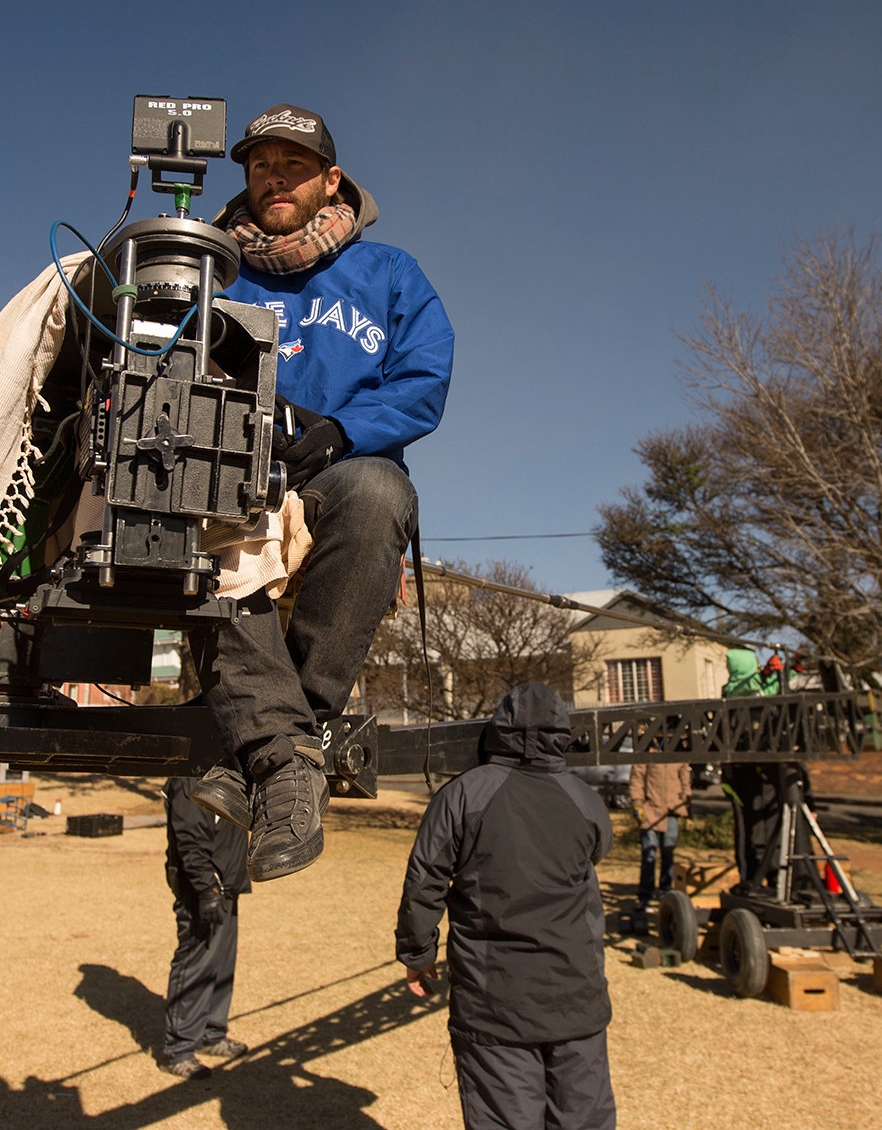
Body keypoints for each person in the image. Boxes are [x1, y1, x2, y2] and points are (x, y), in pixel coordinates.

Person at [189, 103, 455, 883]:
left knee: (377, 492)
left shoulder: (391, 273)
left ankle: (275, 743)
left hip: (340, 468)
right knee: (181, 513)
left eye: (293, 165)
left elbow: (423, 379)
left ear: (329, 181)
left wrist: (340, 429)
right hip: (236, 473)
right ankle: (290, 756)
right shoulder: (211, 271)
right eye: (260, 163)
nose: (274, 176)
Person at [397, 683, 616, 1129]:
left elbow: (425, 880)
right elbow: (598, 851)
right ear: (561, 733)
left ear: (498, 729)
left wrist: (417, 954)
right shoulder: (586, 800)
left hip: (495, 1004)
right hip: (578, 998)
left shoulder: (463, 796)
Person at [158, 775, 252, 1080]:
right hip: (203, 889)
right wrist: (206, 889)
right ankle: (179, 1050)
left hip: (229, 883)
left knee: (222, 964)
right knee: (195, 963)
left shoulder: (229, 770)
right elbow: (189, 836)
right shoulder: (188, 777)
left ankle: (212, 1033)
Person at [629, 753, 690, 926]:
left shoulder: (679, 754)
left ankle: (665, 892)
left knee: (668, 852)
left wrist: (688, 809)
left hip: (672, 810)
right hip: (650, 810)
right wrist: (637, 803)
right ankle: (645, 896)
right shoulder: (648, 752)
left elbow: (685, 782)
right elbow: (637, 778)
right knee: (649, 854)